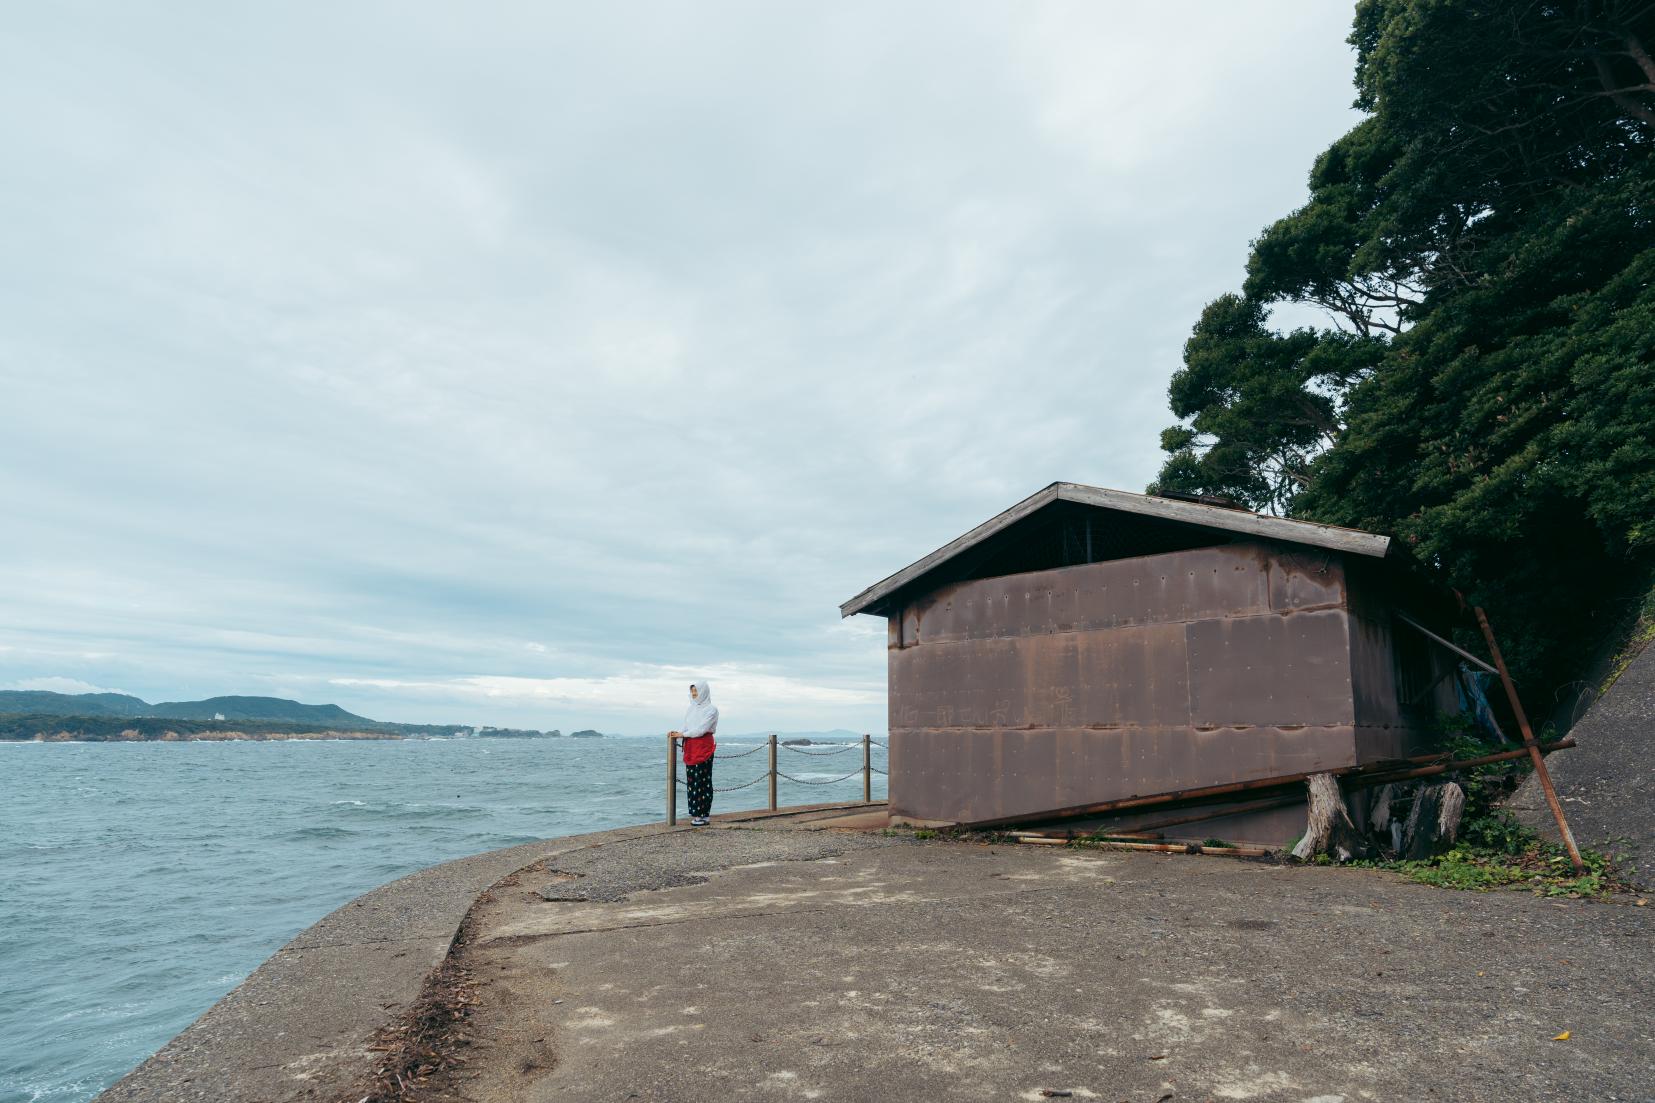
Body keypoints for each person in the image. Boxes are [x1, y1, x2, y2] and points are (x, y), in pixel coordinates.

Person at [669, 681, 718, 826]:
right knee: (691, 781)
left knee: (702, 780)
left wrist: (682, 734)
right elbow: (686, 725)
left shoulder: (712, 709)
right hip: (690, 746)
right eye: (693, 692)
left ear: (703, 691)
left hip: (703, 746)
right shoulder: (691, 709)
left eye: (696, 691)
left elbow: (701, 729)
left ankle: (704, 814)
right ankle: (696, 813)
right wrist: (676, 732)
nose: (694, 694)